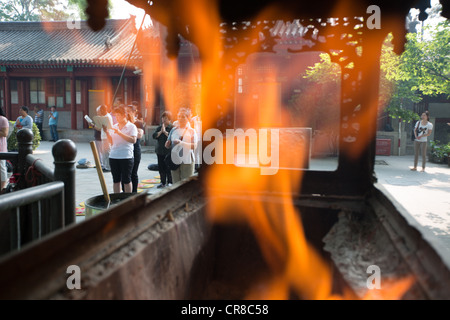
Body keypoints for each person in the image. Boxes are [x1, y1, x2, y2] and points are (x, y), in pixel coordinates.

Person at [105, 106, 137, 193]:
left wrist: (120, 133)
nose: (117, 118)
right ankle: (117, 199)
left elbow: (133, 140)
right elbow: (111, 142)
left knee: (126, 180)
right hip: (114, 155)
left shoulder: (131, 126)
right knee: (116, 180)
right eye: (116, 116)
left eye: (119, 116)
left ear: (124, 115)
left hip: (126, 156)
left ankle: (127, 200)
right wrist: (107, 133)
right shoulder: (114, 126)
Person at [165, 108, 198, 184]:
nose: (180, 118)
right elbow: (168, 143)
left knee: (186, 184)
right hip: (175, 159)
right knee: (175, 183)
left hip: (187, 160)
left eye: (183, 116)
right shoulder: (173, 130)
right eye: (179, 116)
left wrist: (181, 143)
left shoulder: (192, 131)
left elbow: (194, 146)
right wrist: (167, 144)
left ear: (188, 118)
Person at [125, 105, 144, 193]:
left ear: (134, 112)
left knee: (133, 173)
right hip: (125, 150)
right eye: (126, 111)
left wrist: (132, 125)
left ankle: (134, 192)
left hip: (135, 150)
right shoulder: (124, 123)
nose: (127, 113)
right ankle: (125, 192)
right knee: (124, 174)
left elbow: (139, 135)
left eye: (129, 111)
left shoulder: (138, 123)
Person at [153, 111, 173, 188]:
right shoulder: (159, 127)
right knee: (161, 167)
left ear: (169, 120)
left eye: (166, 118)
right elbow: (154, 136)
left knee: (168, 167)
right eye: (163, 118)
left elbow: (172, 136)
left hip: (168, 151)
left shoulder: (172, 128)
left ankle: (170, 182)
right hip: (160, 151)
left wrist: (165, 132)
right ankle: (162, 182)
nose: (164, 120)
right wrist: (161, 131)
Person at [0, 106, 9, 191]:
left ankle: (2, 188)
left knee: (1, 168)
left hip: (1, 148)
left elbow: (5, 133)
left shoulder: (3, 119)